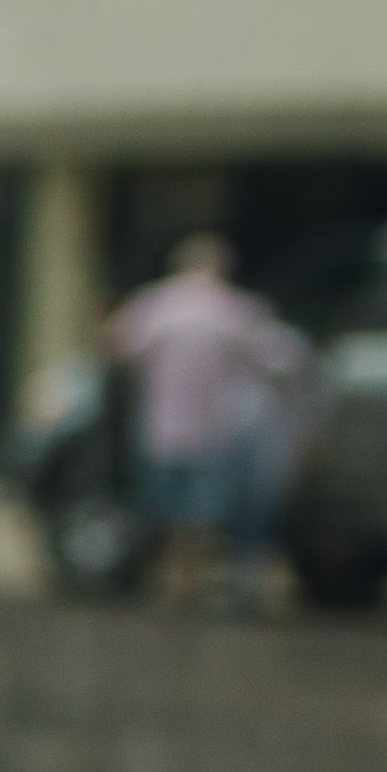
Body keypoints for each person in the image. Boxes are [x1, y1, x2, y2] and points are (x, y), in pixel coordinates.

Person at [105, 231, 308, 603]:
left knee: (161, 511)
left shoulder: (156, 303)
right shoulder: (232, 309)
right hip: (211, 431)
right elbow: (275, 360)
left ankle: (168, 582)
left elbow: (119, 346)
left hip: (160, 428)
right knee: (198, 515)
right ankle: (187, 582)